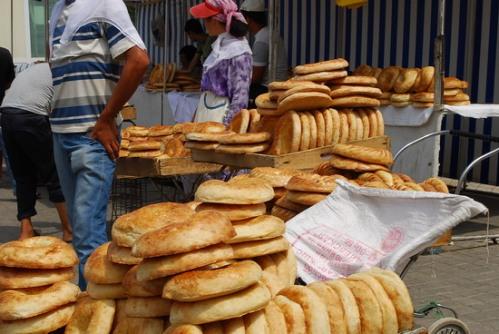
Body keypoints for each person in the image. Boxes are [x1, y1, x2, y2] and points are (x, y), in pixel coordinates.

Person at [49, 0, 149, 289]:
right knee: (79, 235)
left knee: (86, 234)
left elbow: (139, 59)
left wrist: (106, 119)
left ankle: (93, 313)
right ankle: (88, 305)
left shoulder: (105, 4)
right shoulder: (57, 12)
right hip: (61, 133)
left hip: (90, 137)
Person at [0, 63, 72, 241]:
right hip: (31, 117)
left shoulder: (37, 69)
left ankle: (26, 230)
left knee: (23, 175)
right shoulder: (65, 71)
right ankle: (68, 229)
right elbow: (62, 112)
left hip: (6, 115)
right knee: (53, 173)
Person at [190, 0, 253, 125]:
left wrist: (227, 128)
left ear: (214, 20)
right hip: (205, 111)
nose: (204, 24)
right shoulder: (220, 46)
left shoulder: (239, 52)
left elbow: (240, 98)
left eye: (205, 20)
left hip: (220, 115)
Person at [240, 0, 289, 106]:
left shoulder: (262, 40)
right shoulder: (269, 33)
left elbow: (256, 77)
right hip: (279, 86)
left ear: (248, 19)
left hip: (268, 89)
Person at [0, 48, 15, 180]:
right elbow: (10, 82)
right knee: (8, 150)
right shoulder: (4, 54)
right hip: (1, 105)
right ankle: (18, 185)